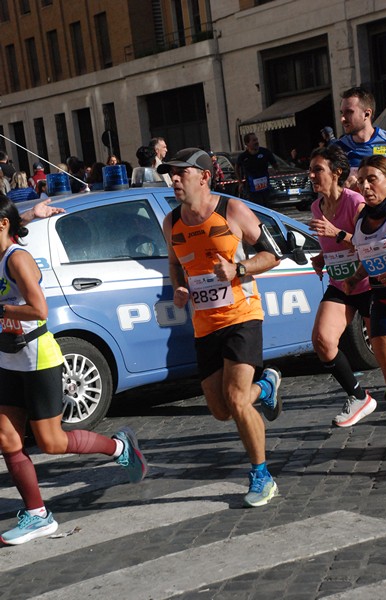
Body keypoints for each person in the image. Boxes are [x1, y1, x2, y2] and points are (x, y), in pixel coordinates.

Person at [0, 196, 147, 545]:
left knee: (51, 442)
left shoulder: (16, 259)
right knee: (7, 438)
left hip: (38, 357)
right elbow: (9, 220)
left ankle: (117, 447)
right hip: (7, 359)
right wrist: (31, 214)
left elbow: (39, 310)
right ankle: (38, 515)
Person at [158, 147, 283, 508]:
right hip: (204, 324)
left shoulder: (232, 211)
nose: (175, 179)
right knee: (219, 409)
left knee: (236, 399)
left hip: (243, 315)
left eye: (182, 172)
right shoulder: (171, 222)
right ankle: (267, 385)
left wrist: (238, 270)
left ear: (204, 176)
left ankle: (262, 475)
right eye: (171, 174)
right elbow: (174, 263)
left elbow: (272, 254)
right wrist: (179, 287)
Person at [308, 145, 377, 427]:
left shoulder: (356, 202)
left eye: (317, 170)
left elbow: (369, 243)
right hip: (341, 286)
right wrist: (323, 256)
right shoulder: (316, 207)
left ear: (336, 172)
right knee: (322, 341)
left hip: (369, 283)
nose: (311, 175)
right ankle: (358, 395)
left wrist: (335, 234)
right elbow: (337, 245)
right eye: (310, 170)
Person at [345, 155, 386, 479]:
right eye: (362, 180)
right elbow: (369, 254)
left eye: (373, 179)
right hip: (381, 302)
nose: (365, 186)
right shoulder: (361, 221)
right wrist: (355, 276)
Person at [336, 86, 386, 189]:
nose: (343, 119)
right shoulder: (337, 148)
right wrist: (343, 189)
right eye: (342, 112)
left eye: (349, 112)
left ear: (367, 114)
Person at [235, 132, 278, 206]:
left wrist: (274, 170)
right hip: (251, 189)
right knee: (256, 208)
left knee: (267, 207)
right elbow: (237, 167)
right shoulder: (243, 156)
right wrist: (240, 182)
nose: (256, 142)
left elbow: (275, 164)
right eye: (254, 140)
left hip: (265, 187)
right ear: (247, 143)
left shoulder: (265, 152)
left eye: (257, 140)